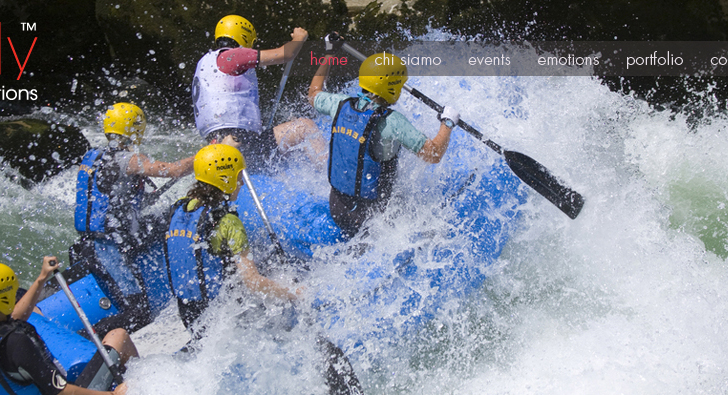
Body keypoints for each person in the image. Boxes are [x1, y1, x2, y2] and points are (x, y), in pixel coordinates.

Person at [163, 145, 362, 394]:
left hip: (190, 314)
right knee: (305, 327)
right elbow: (253, 283)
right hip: (221, 318)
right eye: (238, 178)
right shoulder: (228, 223)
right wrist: (294, 292)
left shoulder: (180, 209)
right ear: (225, 179)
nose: (242, 185)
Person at [307, 44, 461, 238]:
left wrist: (329, 53)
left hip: (337, 207)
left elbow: (313, 92)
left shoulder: (338, 103)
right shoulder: (392, 122)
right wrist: (447, 122)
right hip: (370, 217)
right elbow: (433, 154)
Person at [73, 102, 197, 327]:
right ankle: (91, 338)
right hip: (107, 249)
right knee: (138, 314)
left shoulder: (92, 156)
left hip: (98, 240)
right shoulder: (127, 160)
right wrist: (207, 155)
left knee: (169, 215)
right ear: (136, 129)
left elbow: (111, 197)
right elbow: (174, 170)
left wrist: (143, 199)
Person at [0, 259, 137, 395]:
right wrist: (112, 394)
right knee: (118, 335)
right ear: (6, 297)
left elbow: (16, 317)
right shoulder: (17, 343)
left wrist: (42, 278)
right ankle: (143, 381)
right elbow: (61, 392)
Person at [192, 15, 325, 169]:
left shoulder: (205, 63)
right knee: (305, 127)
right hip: (240, 141)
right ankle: (332, 177)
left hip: (219, 141)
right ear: (244, 37)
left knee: (285, 158)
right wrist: (299, 38)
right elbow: (286, 54)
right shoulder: (232, 56)